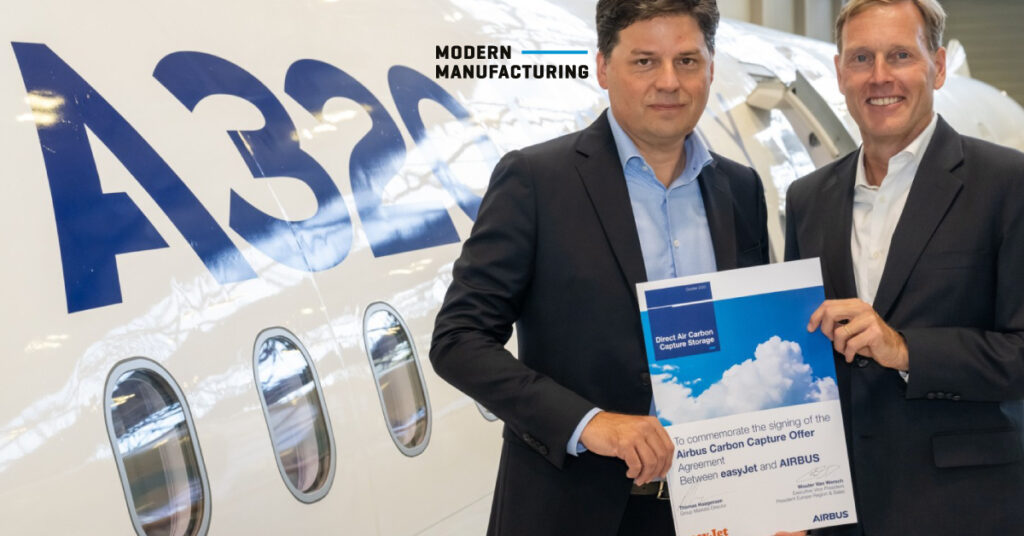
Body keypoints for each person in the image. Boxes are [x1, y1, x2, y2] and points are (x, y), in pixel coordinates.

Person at [429, 0, 769, 534]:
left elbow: (750, 335)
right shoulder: (536, 181)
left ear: (710, 68)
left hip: (711, 506)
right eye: (644, 61)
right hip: (572, 508)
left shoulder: (739, 189)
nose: (668, 82)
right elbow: (458, 340)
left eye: (687, 61)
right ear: (604, 67)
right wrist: (589, 423)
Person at [784, 0, 1024, 534]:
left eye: (899, 55)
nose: (879, 77)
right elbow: (799, 355)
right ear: (839, 73)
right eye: (861, 58)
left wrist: (905, 349)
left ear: (937, 67)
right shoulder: (807, 199)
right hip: (840, 511)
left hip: (965, 508)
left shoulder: (1007, 183)